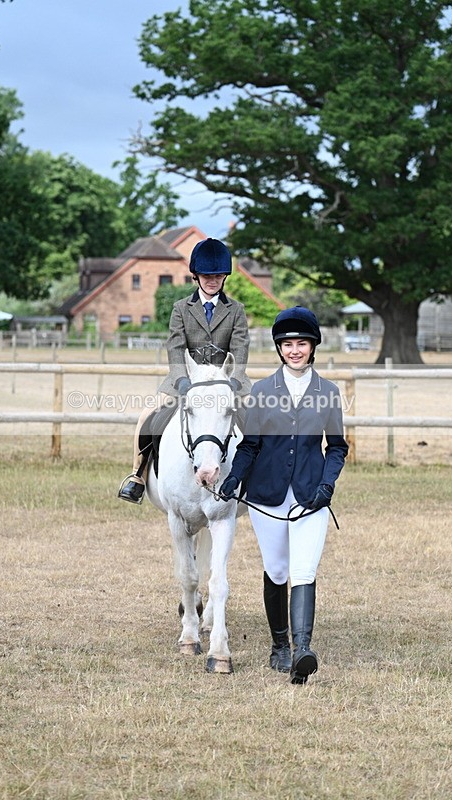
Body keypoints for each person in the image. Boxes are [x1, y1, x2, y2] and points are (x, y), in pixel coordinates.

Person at [218, 306, 348, 684]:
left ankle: (302, 648)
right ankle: (279, 645)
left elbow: (337, 446)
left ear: (313, 347)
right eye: (288, 344)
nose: (294, 350)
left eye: (301, 343)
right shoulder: (261, 391)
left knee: (304, 570)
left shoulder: (328, 392)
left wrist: (327, 484)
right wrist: (234, 479)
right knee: (277, 571)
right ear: (279, 348)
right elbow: (250, 445)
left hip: (311, 495)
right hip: (267, 496)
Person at [119, 237, 251, 504]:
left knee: (257, 419)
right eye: (207, 275)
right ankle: (138, 474)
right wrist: (180, 379)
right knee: (147, 415)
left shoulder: (236, 310)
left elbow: (241, 348)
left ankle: (261, 477)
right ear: (196, 276)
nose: (212, 280)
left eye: (218, 275)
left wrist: (235, 380)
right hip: (186, 379)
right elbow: (175, 346)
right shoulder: (181, 308)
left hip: (225, 381)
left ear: (225, 276)